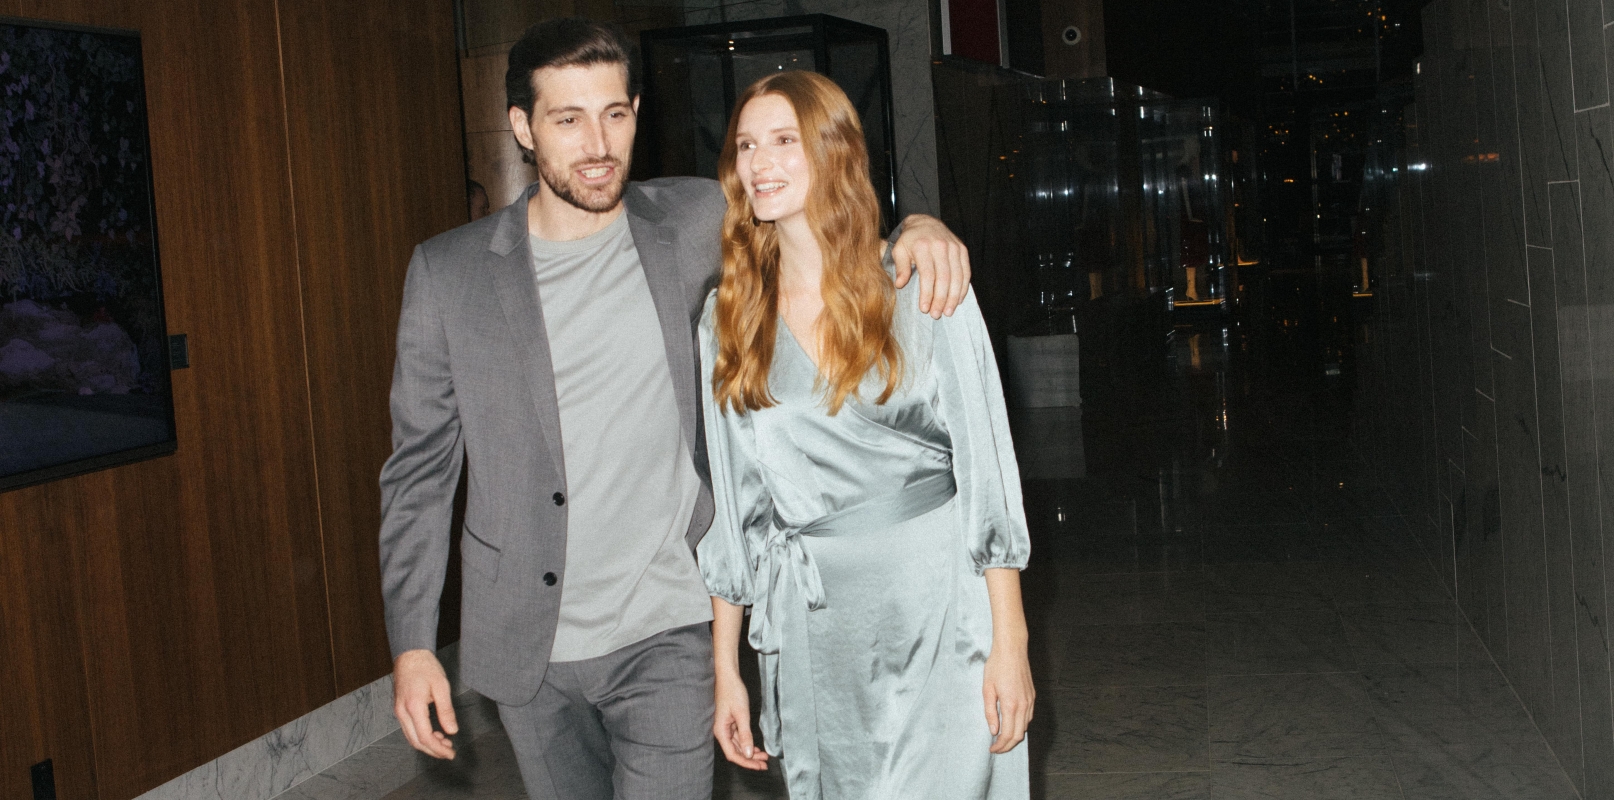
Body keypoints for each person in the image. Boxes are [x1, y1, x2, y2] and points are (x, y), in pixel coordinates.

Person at [377, 18, 973, 800]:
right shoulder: (448, 275)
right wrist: (413, 644)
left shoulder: (690, 222)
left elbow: (817, 234)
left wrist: (915, 232)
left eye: (615, 114)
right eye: (568, 118)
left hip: (672, 627)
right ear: (522, 127)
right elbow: (418, 474)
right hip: (529, 638)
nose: (598, 143)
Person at [698, 71, 1034, 800]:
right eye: (746, 145)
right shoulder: (728, 317)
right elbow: (737, 509)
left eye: (784, 141)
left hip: (943, 614)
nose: (760, 163)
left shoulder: (924, 285)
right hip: (819, 628)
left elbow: (988, 474)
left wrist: (1012, 640)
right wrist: (727, 670)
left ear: (834, 153)